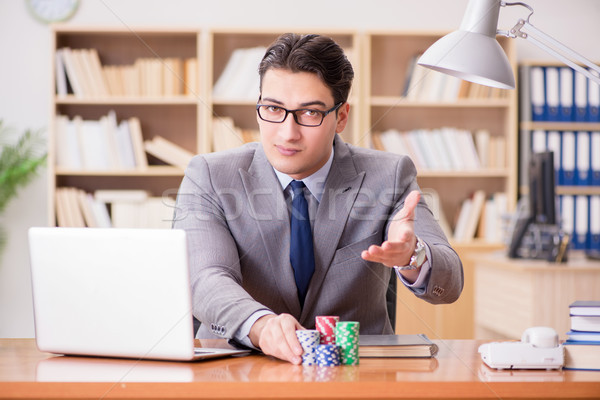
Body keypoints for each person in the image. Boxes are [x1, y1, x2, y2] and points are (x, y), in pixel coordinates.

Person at [173, 33, 463, 364]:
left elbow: (450, 283)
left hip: (355, 375)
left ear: (341, 117)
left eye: (309, 113)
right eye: (273, 109)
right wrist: (261, 326)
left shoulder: (389, 175)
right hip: (239, 369)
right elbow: (205, 278)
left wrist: (414, 256)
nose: (287, 132)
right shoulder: (209, 175)